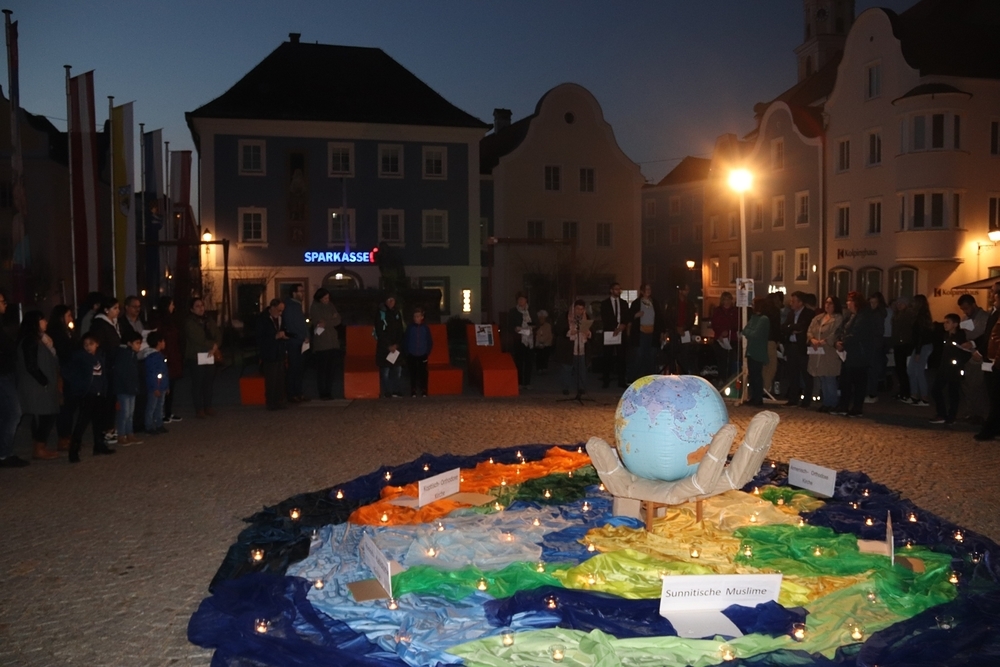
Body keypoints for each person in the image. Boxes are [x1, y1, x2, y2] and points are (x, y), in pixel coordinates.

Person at [15, 311, 62, 460]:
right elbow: (31, 364)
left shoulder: (39, 339)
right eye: (42, 320)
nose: (46, 322)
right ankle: (39, 447)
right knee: (45, 415)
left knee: (44, 415)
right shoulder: (30, 340)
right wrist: (44, 381)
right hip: (36, 385)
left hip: (41, 384)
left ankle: (40, 446)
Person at [66, 332, 116, 462]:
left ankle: (99, 445)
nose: (88, 347)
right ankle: (74, 450)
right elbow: (72, 373)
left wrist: (104, 390)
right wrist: (80, 388)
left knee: (98, 421)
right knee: (82, 422)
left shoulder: (100, 357)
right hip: (88, 394)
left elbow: (102, 375)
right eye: (86, 344)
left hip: (99, 393)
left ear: (97, 344)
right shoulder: (80, 358)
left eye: (91, 344)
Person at [834, 291, 880, 417]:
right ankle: (844, 405)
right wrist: (837, 341)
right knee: (845, 381)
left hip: (859, 354)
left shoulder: (864, 316)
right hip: (849, 354)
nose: (847, 303)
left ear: (856, 302)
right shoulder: (850, 316)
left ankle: (857, 407)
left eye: (849, 301)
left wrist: (843, 343)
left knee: (858, 382)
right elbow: (841, 330)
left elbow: (857, 334)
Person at [0, 288, 26, 467]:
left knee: (7, 413)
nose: (5, 305)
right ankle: (4, 453)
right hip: (2, 375)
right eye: (2, 302)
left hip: (7, 373)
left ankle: (4, 451)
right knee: (14, 412)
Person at [49, 304, 81, 452]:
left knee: (71, 405)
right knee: (65, 407)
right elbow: (63, 351)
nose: (71, 318)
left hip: (72, 371)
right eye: (68, 315)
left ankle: (68, 435)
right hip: (63, 371)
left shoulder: (68, 331)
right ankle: (63, 437)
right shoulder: (56, 333)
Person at [930, 313, 970, 425]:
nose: (945, 324)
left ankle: (951, 416)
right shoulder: (947, 336)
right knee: (936, 390)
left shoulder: (960, 337)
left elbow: (965, 353)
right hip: (944, 368)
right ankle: (942, 414)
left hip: (953, 369)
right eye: (945, 322)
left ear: (955, 324)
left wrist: (958, 364)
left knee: (953, 393)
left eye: (948, 322)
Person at [184, 297, 221, 418]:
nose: (201, 308)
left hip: (209, 354)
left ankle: (208, 406)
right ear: (192, 309)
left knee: (208, 382)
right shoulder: (190, 322)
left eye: (202, 305)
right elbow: (198, 338)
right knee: (198, 383)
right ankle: (199, 408)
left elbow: (218, 334)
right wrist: (212, 345)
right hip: (196, 356)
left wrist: (215, 346)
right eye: (197, 306)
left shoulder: (209, 320)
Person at [807, 296, 844, 412]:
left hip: (829, 352)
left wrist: (824, 341)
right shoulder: (818, 318)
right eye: (826, 303)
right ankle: (826, 402)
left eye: (830, 303)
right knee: (822, 377)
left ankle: (832, 403)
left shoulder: (838, 318)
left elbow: (835, 333)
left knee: (829, 377)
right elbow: (810, 330)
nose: (827, 305)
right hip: (818, 352)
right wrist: (812, 339)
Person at [151, 297, 183, 422]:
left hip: (173, 355)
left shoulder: (171, 320)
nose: (173, 307)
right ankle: (161, 412)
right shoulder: (159, 321)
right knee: (163, 383)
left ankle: (168, 411)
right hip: (165, 355)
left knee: (171, 385)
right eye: (171, 304)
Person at [957, 294, 989, 422]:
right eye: (962, 309)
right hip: (968, 354)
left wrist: (972, 342)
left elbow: (985, 336)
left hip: (980, 354)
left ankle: (979, 413)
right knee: (968, 384)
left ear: (973, 305)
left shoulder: (985, 317)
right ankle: (971, 411)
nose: (965, 311)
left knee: (978, 385)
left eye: (966, 308)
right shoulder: (965, 318)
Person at [974, 282, 1000, 441]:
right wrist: (975, 344)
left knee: (995, 396)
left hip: (995, 360)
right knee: (993, 395)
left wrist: (985, 354)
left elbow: (995, 339)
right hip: (990, 359)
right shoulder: (994, 312)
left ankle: (990, 429)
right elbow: (988, 335)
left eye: (994, 293)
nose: (991, 295)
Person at [781, 291, 815, 407]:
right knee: (793, 374)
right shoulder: (791, 314)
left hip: (802, 347)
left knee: (806, 374)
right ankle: (793, 399)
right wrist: (791, 328)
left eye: (793, 301)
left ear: (800, 303)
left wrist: (791, 328)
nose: (791, 303)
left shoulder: (808, 314)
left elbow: (803, 327)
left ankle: (806, 400)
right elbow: (784, 327)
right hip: (791, 346)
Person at [121, 295, 148, 432]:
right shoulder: (122, 323)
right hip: (130, 360)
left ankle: (140, 421)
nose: (137, 309)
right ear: (127, 307)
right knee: (131, 393)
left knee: (143, 391)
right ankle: (130, 426)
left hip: (142, 358)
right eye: (134, 307)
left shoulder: (140, 321)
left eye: (139, 307)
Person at [112, 330, 144, 446]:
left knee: (130, 413)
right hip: (124, 388)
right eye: (137, 343)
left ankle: (130, 434)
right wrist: (130, 386)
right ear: (129, 343)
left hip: (130, 388)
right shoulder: (124, 354)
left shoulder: (131, 354)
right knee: (124, 413)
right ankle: (121, 435)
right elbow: (122, 373)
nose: (139, 346)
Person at [309, 288, 342, 400]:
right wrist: (331, 319)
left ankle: (329, 391)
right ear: (320, 298)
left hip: (332, 342)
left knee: (331, 370)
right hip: (322, 343)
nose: (327, 300)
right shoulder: (315, 307)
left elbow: (338, 319)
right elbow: (319, 322)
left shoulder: (331, 305)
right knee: (322, 369)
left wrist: (327, 321)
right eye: (325, 298)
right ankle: (322, 392)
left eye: (328, 298)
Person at [257, 298, 289, 410]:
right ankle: (271, 402)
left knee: (280, 379)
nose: (281, 313)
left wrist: (285, 335)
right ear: (272, 308)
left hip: (279, 351)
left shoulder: (280, 318)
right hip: (269, 353)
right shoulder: (263, 319)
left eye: (282, 311)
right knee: (271, 379)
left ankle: (280, 400)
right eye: (279, 310)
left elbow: (284, 329)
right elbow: (260, 338)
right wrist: (274, 337)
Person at [556, 300, 592, 395]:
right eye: (577, 309)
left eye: (581, 309)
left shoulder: (586, 317)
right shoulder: (565, 317)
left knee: (581, 369)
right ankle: (565, 387)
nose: (579, 311)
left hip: (581, 347)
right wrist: (569, 332)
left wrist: (588, 333)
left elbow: (591, 329)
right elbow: (558, 329)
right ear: (573, 308)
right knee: (567, 368)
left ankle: (581, 387)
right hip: (568, 347)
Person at [904, 294, 934, 407]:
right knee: (913, 371)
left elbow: (920, 336)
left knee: (917, 371)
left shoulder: (920, 318)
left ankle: (923, 397)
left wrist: (917, 352)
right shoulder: (923, 317)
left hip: (922, 347)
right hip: (923, 346)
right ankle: (915, 395)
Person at [629, 283, 664, 380]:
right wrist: (636, 315)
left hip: (653, 334)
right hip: (641, 334)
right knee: (639, 355)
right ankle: (637, 378)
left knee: (651, 356)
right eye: (646, 289)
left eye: (649, 289)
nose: (648, 291)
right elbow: (629, 316)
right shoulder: (636, 303)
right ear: (642, 291)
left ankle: (650, 378)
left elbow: (660, 318)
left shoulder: (655, 303)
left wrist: (661, 332)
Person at [742, 297, 770, 407]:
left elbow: (755, 334)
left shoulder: (764, 319)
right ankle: (753, 396)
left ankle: (758, 398)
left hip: (758, 350)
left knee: (757, 375)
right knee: (752, 375)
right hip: (751, 350)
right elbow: (746, 330)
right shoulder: (754, 318)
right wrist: (750, 332)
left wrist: (749, 332)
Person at [283, 283, 309, 402]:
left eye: (303, 291)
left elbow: (302, 324)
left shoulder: (297, 306)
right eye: (300, 291)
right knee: (294, 367)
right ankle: (292, 393)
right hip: (295, 342)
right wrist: (303, 336)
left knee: (300, 368)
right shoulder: (290, 306)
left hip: (300, 341)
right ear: (294, 293)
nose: (303, 294)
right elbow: (292, 325)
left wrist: (306, 336)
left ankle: (298, 392)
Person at [375, 294, 405, 398]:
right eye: (389, 300)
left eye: (393, 300)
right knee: (385, 372)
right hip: (384, 348)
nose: (391, 302)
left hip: (396, 347)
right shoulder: (381, 313)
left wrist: (397, 344)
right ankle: (387, 391)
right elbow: (379, 331)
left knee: (397, 370)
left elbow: (400, 330)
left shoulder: (397, 313)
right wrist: (388, 345)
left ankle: (397, 390)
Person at [600, 282, 629, 388]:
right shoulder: (605, 303)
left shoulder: (624, 303)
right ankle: (606, 380)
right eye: (616, 289)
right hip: (610, 332)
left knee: (622, 357)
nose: (618, 291)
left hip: (621, 332)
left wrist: (623, 325)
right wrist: (615, 328)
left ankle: (621, 380)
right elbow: (605, 318)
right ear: (611, 290)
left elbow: (627, 316)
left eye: (619, 289)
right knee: (607, 357)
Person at [865, 292, 891, 403]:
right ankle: (871, 392)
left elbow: (879, 331)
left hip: (874, 344)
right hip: (873, 344)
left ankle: (872, 393)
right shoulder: (874, 313)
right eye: (871, 302)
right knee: (871, 370)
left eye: (874, 303)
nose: (872, 305)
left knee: (872, 370)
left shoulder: (877, 314)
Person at [668, 283, 698, 375]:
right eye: (686, 290)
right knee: (673, 353)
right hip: (674, 331)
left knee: (685, 353)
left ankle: (684, 374)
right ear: (680, 291)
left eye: (688, 290)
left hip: (686, 332)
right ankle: (673, 372)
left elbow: (692, 318)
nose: (687, 292)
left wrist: (685, 328)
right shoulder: (672, 303)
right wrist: (676, 328)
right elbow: (668, 317)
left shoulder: (690, 304)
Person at [403, 307, 433, 397]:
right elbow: (406, 339)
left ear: (422, 317)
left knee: (423, 372)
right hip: (412, 353)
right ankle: (413, 389)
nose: (416, 318)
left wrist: (427, 351)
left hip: (422, 353)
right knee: (413, 372)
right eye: (415, 316)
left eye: (418, 316)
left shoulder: (425, 328)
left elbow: (429, 340)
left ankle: (424, 390)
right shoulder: (410, 328)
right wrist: (407, 352)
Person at [710, 292, 739, 387]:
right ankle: (721, 379)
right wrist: (720, 334)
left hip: (731, 339)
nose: (727, 302)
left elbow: (736, 324)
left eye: (729, 299)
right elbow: (714, 324)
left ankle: (729, 380)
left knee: (730, 360)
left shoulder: (734, 311)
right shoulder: (718, 311)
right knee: (721, 361)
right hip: (720, 340)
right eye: (725, 300)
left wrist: (729, 331)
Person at [144, 331, 170, 434]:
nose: (164, 343)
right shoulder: (153, 357)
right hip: (156, 386)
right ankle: (149, 426)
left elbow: (164, 372)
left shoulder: (159, 355)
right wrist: (155, 387)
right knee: (152, 406)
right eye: (163, 341)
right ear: (159, 342)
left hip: (161, 385)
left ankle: (159, 424)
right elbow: (152, 373)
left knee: (159, 406)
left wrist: (166, 386)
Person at [890, 296, 915, 400]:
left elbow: (906, 330)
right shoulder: (897, 315)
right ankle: (903, 391)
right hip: (898, 343)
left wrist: (902, 340)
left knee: (902, 369)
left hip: (903, 344)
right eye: (898, 303)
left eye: (901, 303)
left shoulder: (907, 315)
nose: (899, 305)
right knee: (899, 369)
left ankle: (906, 392)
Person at [508, 293, 535, 388]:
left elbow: (536, 322)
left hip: (530, 339)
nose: (521, 301)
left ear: (526, 300)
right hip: (519, 339)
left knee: (529, 361)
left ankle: (527, 382)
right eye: (519, 299)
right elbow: (509, 324)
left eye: (522, 299)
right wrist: (515, 328)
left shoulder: (531, 310)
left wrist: (532, 326)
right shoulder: (513, 311)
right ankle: (519, 381)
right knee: (519, 360)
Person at [761, 295, 783, 398]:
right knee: (772, 366)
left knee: (764, 366)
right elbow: (776, 327)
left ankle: (763, 388)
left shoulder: (762, 311)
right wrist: (778, 340)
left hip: (763, 340)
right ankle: (766, 388)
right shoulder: (775, 311)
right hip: (771, 340)